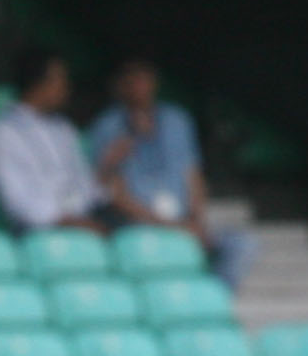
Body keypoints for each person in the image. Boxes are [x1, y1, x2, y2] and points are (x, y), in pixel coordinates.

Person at [83, 55, 253, 289]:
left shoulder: (178, 120)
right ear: (120, 86)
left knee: (242, 244)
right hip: (138, 223)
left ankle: (212, 303)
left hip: (183, 219)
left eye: (144, 79)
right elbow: (113, 195)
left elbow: (193, 175)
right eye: (132, 81)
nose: (139, 87)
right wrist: (171, 226)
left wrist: (196, 221)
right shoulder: (107, 127)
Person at [0, 49, 110, 236]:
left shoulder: (64, 128)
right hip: (40, 233)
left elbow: (84, 186)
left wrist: (107, 176)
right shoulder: (3, 133)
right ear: (39, 84)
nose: (67, 87)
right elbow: (18, 203)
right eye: (61, 79)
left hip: (84, 221)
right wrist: (68, 221)